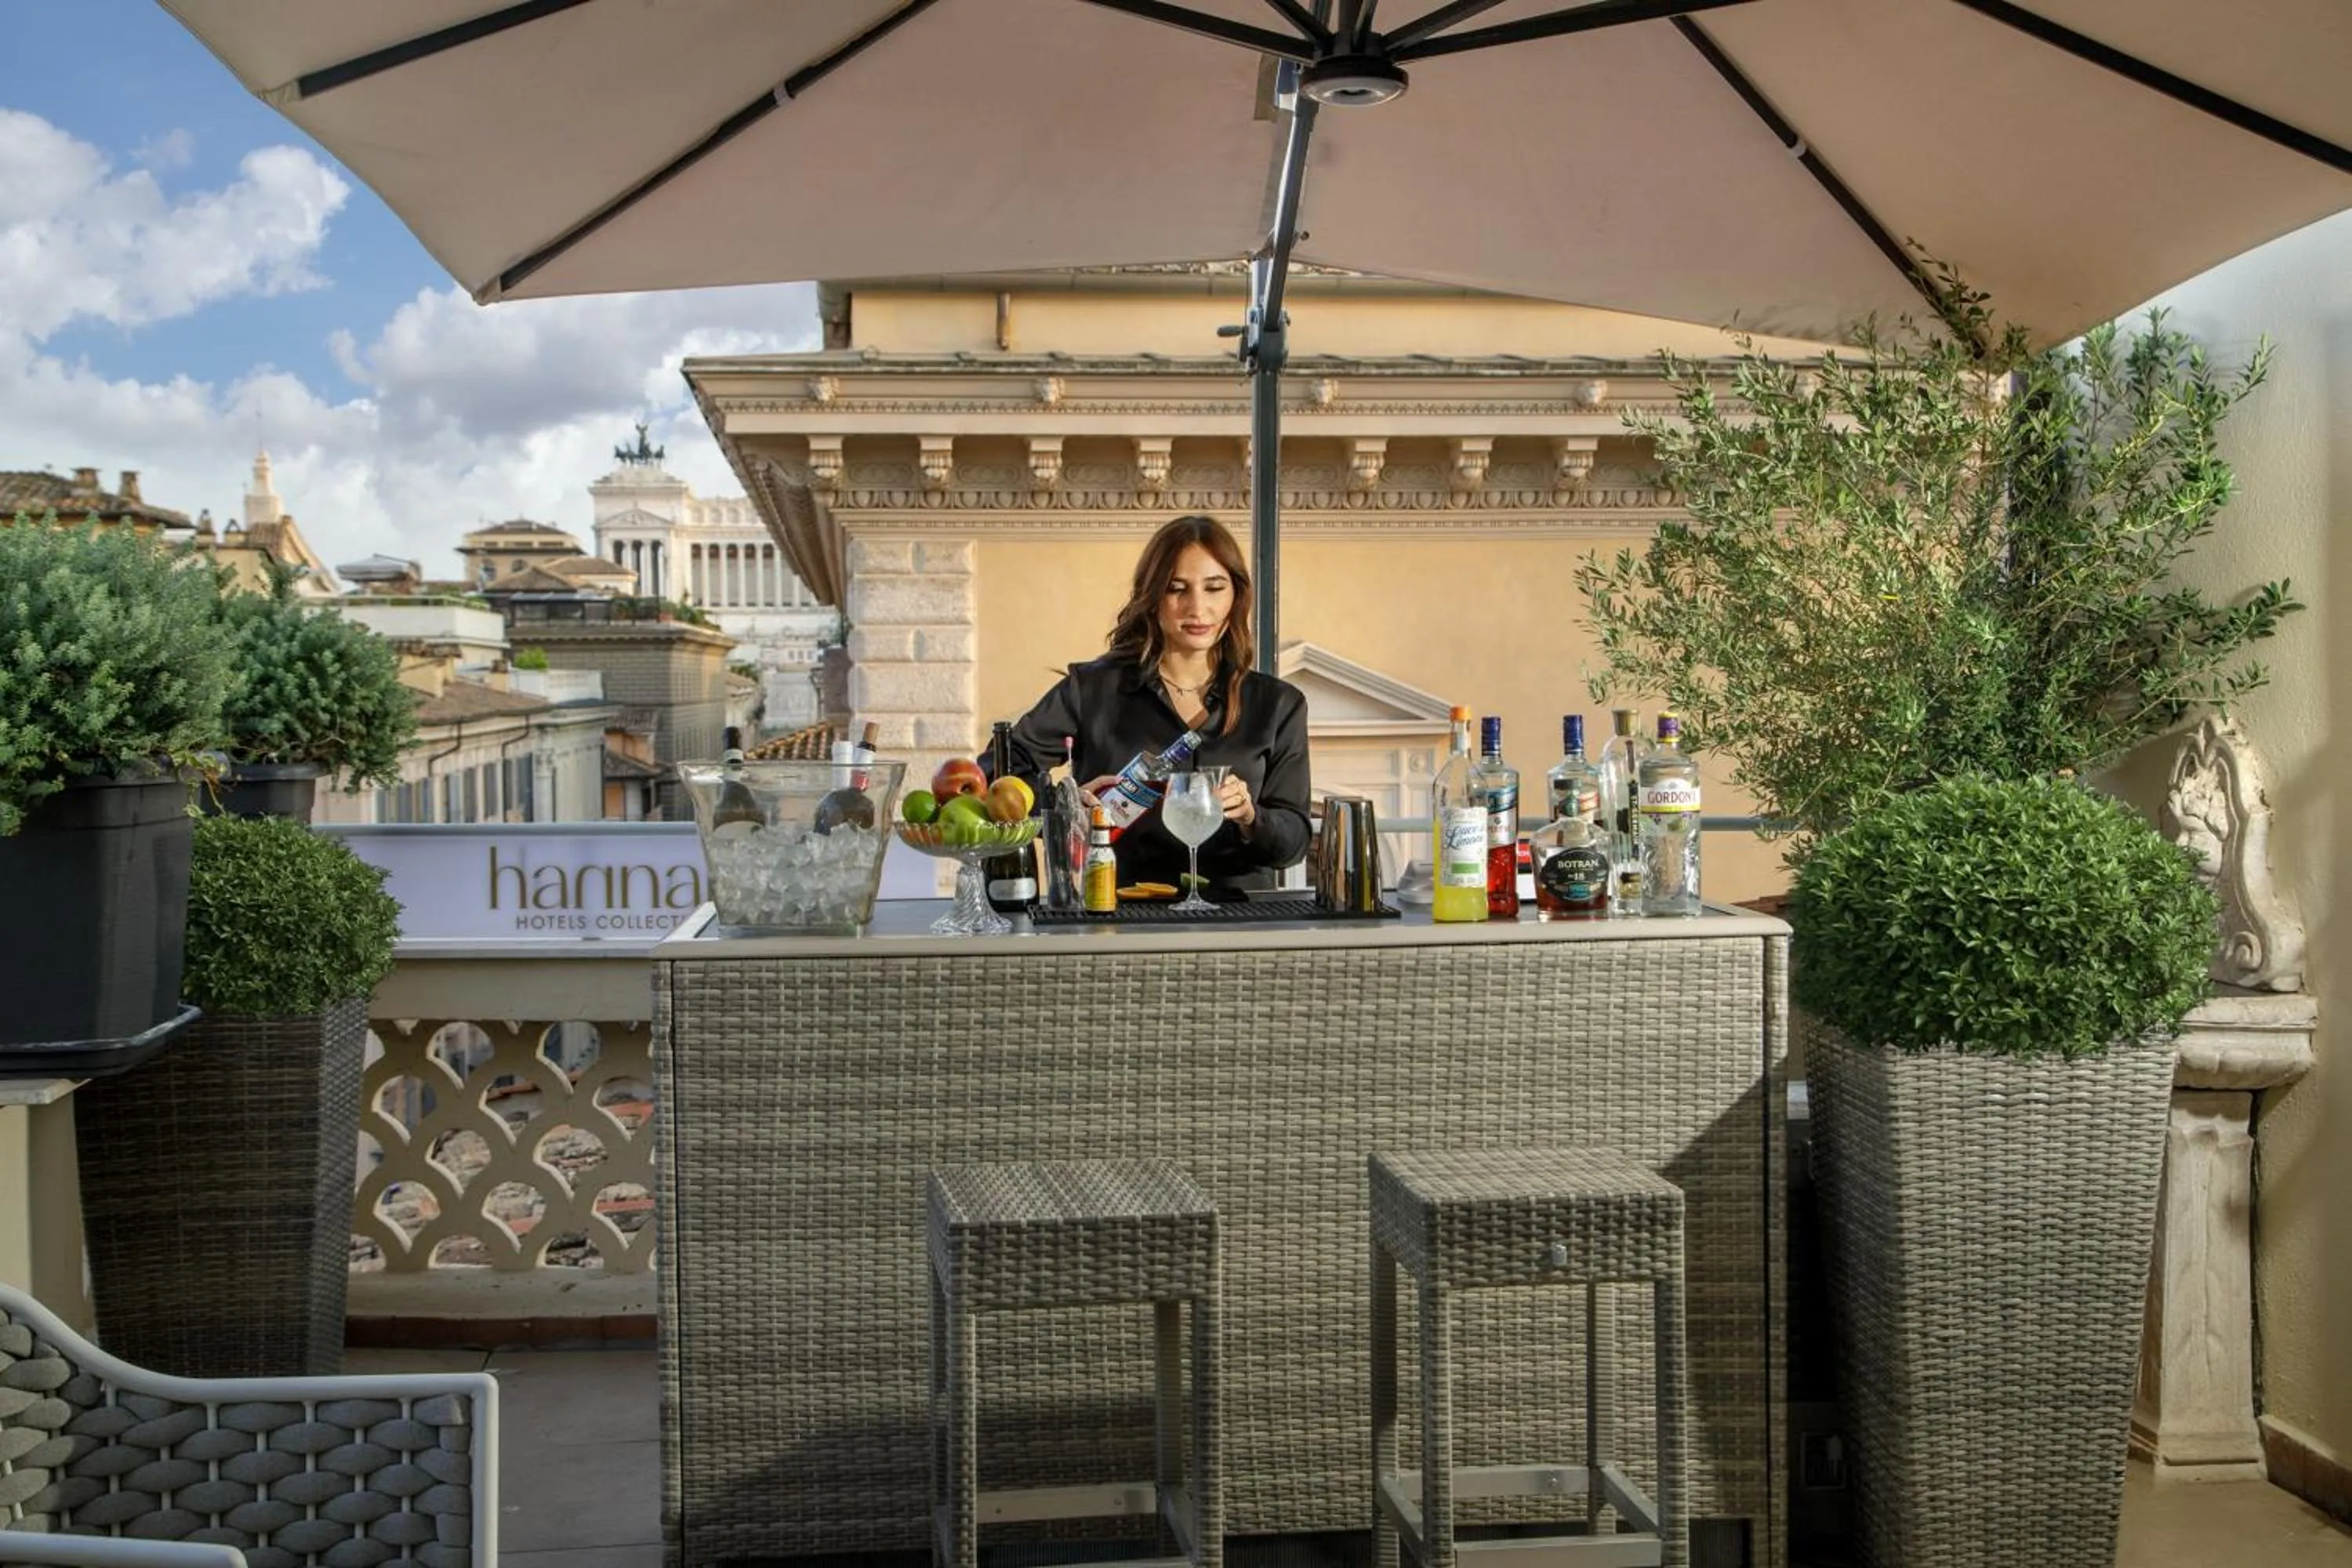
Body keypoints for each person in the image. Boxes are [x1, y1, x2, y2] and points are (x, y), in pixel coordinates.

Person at [1001, 514, 1311, 891]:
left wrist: (1250, 817)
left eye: (1214, 588)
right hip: (1118, 912)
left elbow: (1293, 843)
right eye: (1177, 589)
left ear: (1236, 596)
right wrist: (1064, 803)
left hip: (1240, 922)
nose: (1197, 608)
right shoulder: (1093, 689)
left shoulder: (1278, 705)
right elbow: (998, 771)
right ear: (1152, 597)